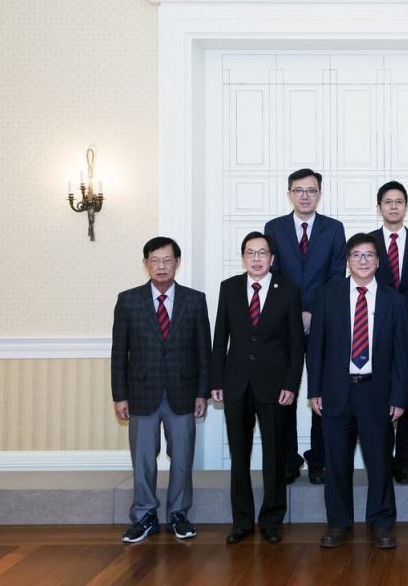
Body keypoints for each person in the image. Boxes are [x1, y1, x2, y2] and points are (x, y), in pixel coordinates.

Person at [307, 233, 408, 550]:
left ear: (379, 262)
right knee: (337, 463)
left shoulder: (395, 300)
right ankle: (338, 523)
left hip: (376, 393)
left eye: (369, 255)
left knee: (380, 463)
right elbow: (316, 347)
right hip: (336, 392)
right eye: (356, 255)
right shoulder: (328, 295)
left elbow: (402, 354)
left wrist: (399, 397)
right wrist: (314, 390)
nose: (363, 261)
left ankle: (381, 523)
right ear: (348, 261)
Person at [111, 236, 211, 543]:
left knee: (181, 457)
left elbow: (203, 351)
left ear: (177, 263)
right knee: (143, 458)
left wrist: (202, 393)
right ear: (145, 264)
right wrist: (119, 396)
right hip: (141, 393)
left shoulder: (195, 300)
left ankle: (179, 513)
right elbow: (119, 352)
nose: (161, 266)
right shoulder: (128, 300)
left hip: (183, 392)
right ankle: (145, 516)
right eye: (155, 260)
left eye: (167, 260)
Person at [210, 232, 305, 544]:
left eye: (262, 253)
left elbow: (296, 345)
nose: (256, 258)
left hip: (275, 387)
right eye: (250, 253)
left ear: (272, 258)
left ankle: (272, 520)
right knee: (239, 456)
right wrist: (216, 381)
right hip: (236, 384)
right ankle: (241, 521)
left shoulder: (288, 290)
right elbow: (220, 338)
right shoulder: (229, 288)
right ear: (242, 258)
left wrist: (291, 384)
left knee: (275, 457)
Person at [264, 168, 347, 485]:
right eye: (299, 190)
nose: (305, 196)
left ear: (319, 194)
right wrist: (293, 312)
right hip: (284, 324)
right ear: (289, 194)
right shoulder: (274, 228)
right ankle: (288, 460)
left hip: (323, 322)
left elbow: (337, 275)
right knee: (284, 392)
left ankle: (319, 460)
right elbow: (272, 274)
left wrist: (313, 312)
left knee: (321, 392)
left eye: (311, 190)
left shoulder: (334, 229)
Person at [368, 181, 408, 485]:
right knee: (379, 399)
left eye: (399, 201)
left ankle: (402, 465)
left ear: (406, 207)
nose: (393, 206)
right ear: (379, 207)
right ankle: (381, 462)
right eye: (388, 201)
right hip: (375, 331)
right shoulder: (368, 242)